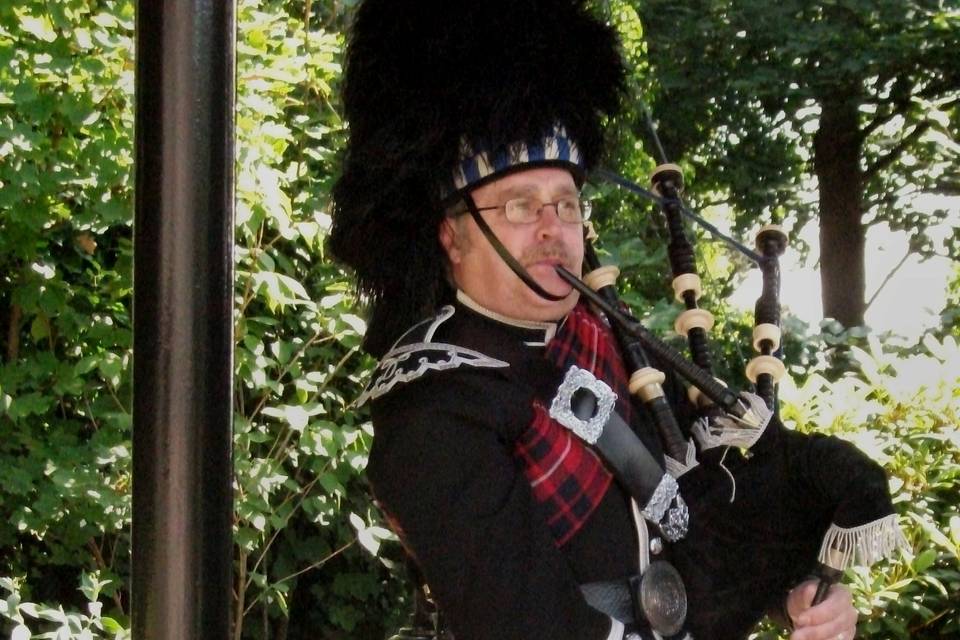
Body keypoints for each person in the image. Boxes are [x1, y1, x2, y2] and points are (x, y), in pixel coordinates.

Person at [329, 2, 859, 639]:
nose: (554, 228)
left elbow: (710, 520)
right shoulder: (433, 404)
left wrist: (799, 591)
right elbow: (526, 624)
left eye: (567, 204)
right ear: (452, 235)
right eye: (521, 207)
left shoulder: (609, 345)